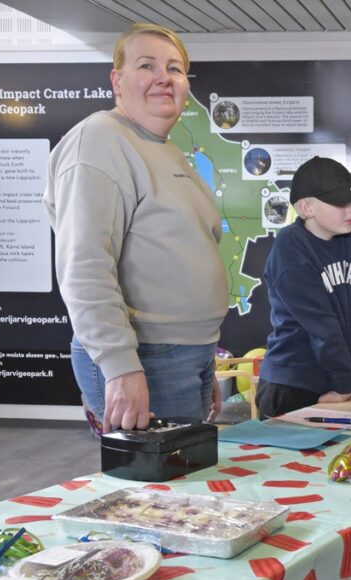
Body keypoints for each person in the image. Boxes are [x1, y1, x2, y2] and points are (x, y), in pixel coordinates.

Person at [44, 23, 226, 432]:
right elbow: (85, 265)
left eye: (175, 69)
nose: (164, 77)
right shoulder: (100, 140)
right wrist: (121, 368)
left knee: (182, 489)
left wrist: (202, 362)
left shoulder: (168, 151)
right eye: (147, 65)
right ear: (117, 80)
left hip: (182, 356)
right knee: (163, 493)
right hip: (145, 357)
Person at [254, 156, 351, 419]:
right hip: (292, 383)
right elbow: (321, 324)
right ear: (306, 207)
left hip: (340, 383)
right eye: (340, 203)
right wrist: (344, 383)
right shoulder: (290, 247)